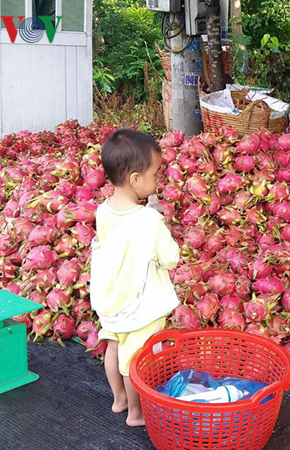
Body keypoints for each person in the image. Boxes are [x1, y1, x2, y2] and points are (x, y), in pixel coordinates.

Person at [90, 129, 180, 425]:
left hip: (111, 299)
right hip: (139, 304)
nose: (157, 181)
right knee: (135, 358)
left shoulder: (103, 211)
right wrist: (162, 224)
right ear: (135, 179)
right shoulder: (149, 220)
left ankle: (119, 400)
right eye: (155, 175)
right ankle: (136, 414)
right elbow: (170, 258)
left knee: (113, 347)